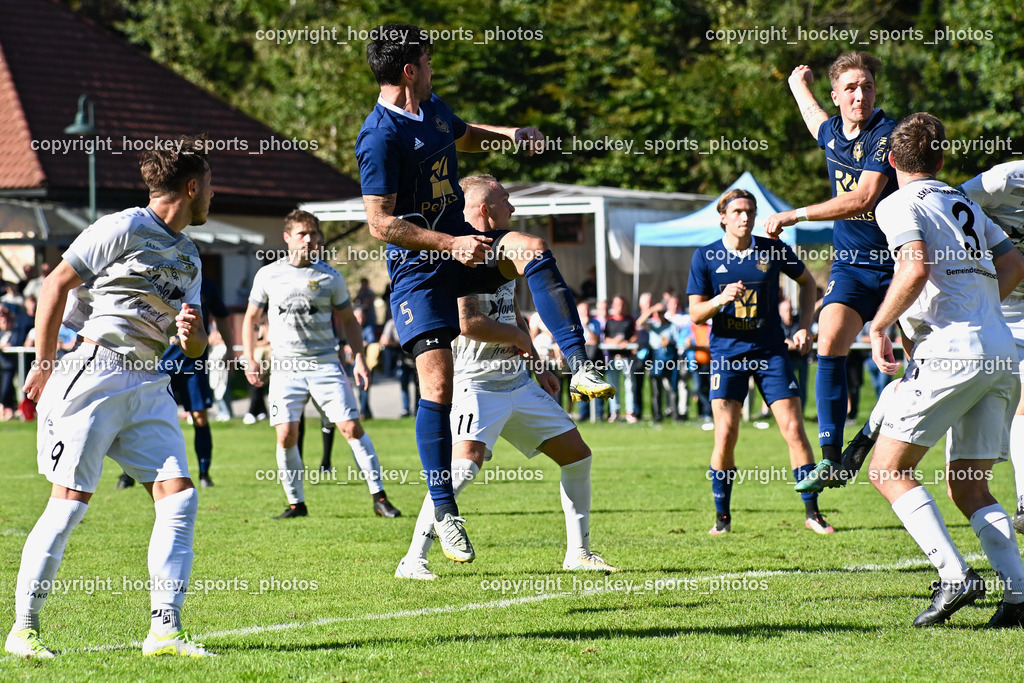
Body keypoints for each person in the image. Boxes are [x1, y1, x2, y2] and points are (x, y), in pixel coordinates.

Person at [355, 25, 613, 563]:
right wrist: (449, 242)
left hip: (463, 244)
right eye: (427, 61)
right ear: (409, 69)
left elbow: (465, 133)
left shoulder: (432, 110)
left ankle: (580, 361)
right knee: (438, 379)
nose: (432, 69)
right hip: (421, 264)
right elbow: (380, 224)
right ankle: (445, 512)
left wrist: (511, 135)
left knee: (531, 248)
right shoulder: (378, 137)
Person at [5, 136, 215, 658]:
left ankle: (164, 632)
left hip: (148, 384)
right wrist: (45, 364)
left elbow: (196, 345)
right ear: (192, 188)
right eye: (209, 185)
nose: (212, 195)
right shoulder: (124, 226)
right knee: (70, 505)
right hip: (96, 373)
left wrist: (191, 332)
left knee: (180, 498)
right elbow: (54, 285)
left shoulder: (190, 255)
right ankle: (23, 630)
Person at [395, 174, 616, 580]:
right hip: (474, 382)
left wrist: (536, 365)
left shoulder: (502, 254)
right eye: (506, 201)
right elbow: (468, 321)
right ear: (485, 209)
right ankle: (413, 559)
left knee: (578, 457)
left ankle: (579, 553)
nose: (512, 209)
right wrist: (520, 336)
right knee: (462, 470)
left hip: (516, 381)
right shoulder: (461, 255)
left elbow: (509, 312)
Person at [865, 113, 1024, 627]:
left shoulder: (897, 202)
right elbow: (1015, 263)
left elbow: (913, 267)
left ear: (891, 162)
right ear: (941, 159)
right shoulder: (963, 202)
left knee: (888, 470)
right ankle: (1020, 596)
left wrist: (879, 326)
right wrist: (981, 315)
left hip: (953, 350)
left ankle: (955, 576)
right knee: (970, 487)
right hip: (1000, 348)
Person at [763, 52, 899, 490]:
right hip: (852, 267)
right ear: (837, 95)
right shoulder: (833, 132)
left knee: (920, 362)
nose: (861, 95)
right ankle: (832, 458)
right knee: (830, 337)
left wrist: (795, 214)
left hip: (902, 264)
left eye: (868, 87)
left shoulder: (886, 132)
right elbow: (813, 116)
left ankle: (878, 430)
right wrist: (796, 84)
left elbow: (862, 198)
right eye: (852, 88)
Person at [687, 188, 833, 535]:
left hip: (771, 353)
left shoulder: (772, 249)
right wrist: (720, 299)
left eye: (750, 211)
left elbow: (809, 283)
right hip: (727, 354)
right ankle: (722, 517)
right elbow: (695, 313)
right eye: (737, 211)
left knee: (795, 430)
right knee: (725, 435)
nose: (745, 217)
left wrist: (803, 327)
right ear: (722, 217)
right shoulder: (705, 256)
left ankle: (813, 512)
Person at [242, 210, 400, 520]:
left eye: (314, 233)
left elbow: (348, 321)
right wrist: (249, 358)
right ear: (287, 238)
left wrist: (358, 358)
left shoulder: (330, 276)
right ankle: (295, 504)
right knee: (286, 435)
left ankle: (380, 498)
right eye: (303, 233)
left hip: (325, 363)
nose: (310, 239)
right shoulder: (268, 275)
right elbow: (250, 318)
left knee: (351, 427)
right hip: (286, 368)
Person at [118, 275, 234, 490]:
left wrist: (230, 349)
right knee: (143, 417)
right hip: (161, 363)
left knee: (200, 417)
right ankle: (128, 474)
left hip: (193, 365)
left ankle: (204, 474)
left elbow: (222, 316)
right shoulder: (155, 280)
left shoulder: (205, 284)